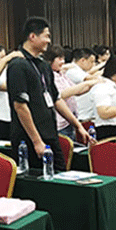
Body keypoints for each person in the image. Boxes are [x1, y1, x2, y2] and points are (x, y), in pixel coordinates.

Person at [8, 17, 92, 171]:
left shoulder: (44, 66)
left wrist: (77, 125)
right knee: (38, 180)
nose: (49, 41)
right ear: (32, 36)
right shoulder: (18, 65)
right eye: (46, 36)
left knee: (60, 173)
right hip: (28, 139)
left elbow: (56, 99)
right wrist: (36, 141)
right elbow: (20, 107)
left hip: (50, 134)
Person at [43, 45, 99, 140]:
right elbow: (62, 94)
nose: (62, 62)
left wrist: (91, 85)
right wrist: (90, 82)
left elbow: (76, 91)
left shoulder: (61, 74)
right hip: (60, 124)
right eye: (59, 59)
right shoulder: (49, 76)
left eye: (63, 58)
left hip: (70, 121)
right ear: (50, 60)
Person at [65, 48, 101, 125]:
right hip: (81, 115)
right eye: (91, 62)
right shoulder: (73, 71)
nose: (93, 65)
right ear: (83, 60)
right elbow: (89, 78)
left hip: (85, 115)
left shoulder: (80, 70)